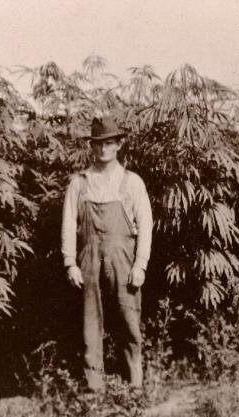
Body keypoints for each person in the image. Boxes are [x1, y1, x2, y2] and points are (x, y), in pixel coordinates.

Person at [61, 115, 153, 390]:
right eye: (98, 144)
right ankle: (94, 387)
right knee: (90, 321)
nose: (103, 149)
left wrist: (141, 265)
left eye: (109, 143)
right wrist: (70, 263)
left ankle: (134, 384)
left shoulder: (132, 182)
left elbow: (146, 225)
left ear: (118, 145)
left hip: (123, 258)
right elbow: (68, 224)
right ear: (91, 147)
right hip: (88, 257)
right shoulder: (79, 183)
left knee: (129, 317)